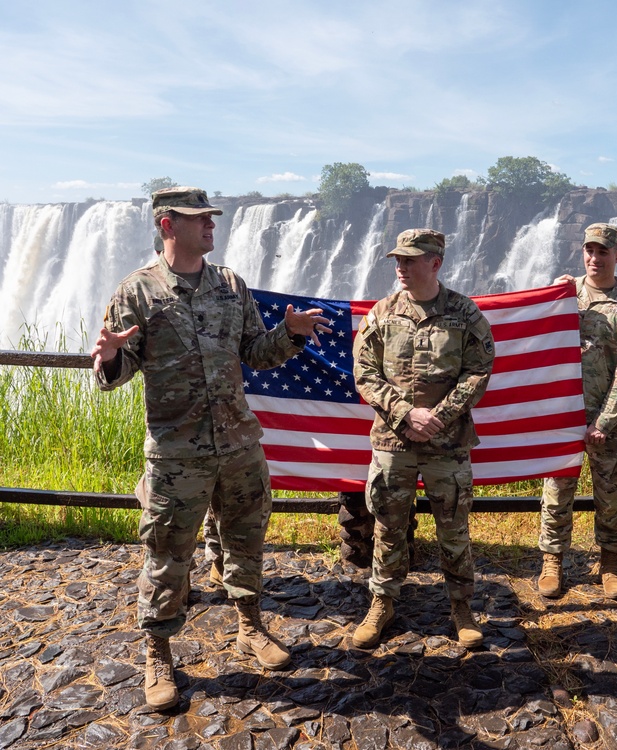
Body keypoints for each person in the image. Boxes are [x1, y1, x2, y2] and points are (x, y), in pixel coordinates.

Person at [91, 186, 331, 711]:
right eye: (199, 219)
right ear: (167, 225)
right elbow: (117, 373)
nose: (211, 227)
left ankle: (251, 626)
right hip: (178, 454)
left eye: (211, 219)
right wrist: (109, 357)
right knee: (166, 555)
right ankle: (158, 651)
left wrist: (288, 335)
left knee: (246, 542)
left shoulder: (230, 285)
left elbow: (255, 354)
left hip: (240, 445)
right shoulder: (138, 291)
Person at [352, 228, 494, 650]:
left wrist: (439, 416)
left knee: (454, 528)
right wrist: (404, 413)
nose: (401, 267)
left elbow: (479, 370)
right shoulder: (381, 313)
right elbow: (364, 372)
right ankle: (382, 603)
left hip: (446, 443)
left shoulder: (464, 314)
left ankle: (461, 607)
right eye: (398, 259)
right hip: (393, 442)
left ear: (435, 263)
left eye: (410, 260)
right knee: (388, 527)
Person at [537, 223, 617, 600]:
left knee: (610, 496)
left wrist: (604, 421)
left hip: (610, 423)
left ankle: (610, 564)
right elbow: (536, 340)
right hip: (565, 417)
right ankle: (551, 561)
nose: (594, 258)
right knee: (556, 492)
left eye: (602, 251)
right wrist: (551, 297)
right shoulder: (564, 296)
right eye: (589, 250)